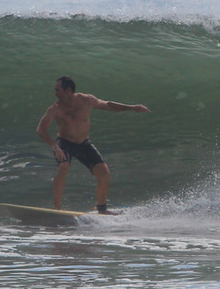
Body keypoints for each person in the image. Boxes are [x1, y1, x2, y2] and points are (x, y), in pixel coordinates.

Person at [36, 76, 150, 212]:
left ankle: (101, 208)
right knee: (64, 166)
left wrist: (131, 107)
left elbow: (107, 105)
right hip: (64, 143)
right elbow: (41, 129)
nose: (55, 93)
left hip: (83, 143)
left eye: (58, 90)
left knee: (104, 174)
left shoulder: (87, 100)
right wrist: (55, 146)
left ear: (68, 90)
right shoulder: (55, 109)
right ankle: (57, 208)